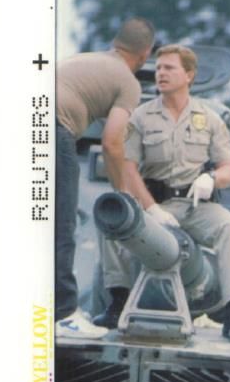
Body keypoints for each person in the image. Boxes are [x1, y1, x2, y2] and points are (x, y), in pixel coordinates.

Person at [98, 44, 230, 342]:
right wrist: (151, 207)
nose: (161, 73)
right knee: (112, 224)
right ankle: (117, 301)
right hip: (154, 202)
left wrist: (211, 178)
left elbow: (229, 170)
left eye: (169, 68)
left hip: (194, 205)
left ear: (189, 75)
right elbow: (128, 169)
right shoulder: (141, 117)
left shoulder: (209, 118)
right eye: (158, 68)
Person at [55, 17, 155, 339]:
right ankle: (64, 314)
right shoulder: (128, 81)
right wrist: (123, 196)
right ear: (145, 53)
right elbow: (113, 143)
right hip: (52, 131)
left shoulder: (86, 60)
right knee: (61, 226)